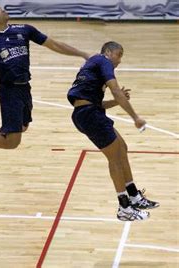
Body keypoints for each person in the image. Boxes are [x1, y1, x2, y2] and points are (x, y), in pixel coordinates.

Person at [0, 3, 90, 168]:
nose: (1, 8)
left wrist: (82, 54)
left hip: (24, 87)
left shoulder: (24, 29)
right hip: (9, 90)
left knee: (22, 126)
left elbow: (54, 44)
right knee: (12, 142)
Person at [67, 41, 159, 221]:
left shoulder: (93, 68)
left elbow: (98, 103)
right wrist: (135, 117)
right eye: (119, 55)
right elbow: (115, 90)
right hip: (88, 115)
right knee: (115, 157)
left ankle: (134, 196)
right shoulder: (103, 61)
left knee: (122, 148)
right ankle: (124, 208)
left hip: (90, 112)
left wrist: (117, 101)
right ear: (108, 52)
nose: (120, 60)